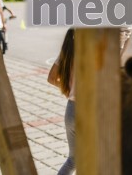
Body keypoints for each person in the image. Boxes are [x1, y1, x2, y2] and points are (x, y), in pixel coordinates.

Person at [47, 29, 76, 175]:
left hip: (71, 110)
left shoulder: (66, 53)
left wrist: (68, 90)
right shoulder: (91, 53)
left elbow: (51, 78)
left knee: (73, 160)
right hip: (89, 110)